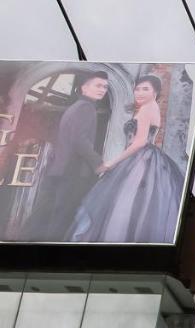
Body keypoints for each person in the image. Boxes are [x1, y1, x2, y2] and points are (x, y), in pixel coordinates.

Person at [68, 74, 184, 243]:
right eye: (137, 89)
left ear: (156, 92)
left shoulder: (147, 108)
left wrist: (111, 163)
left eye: (146, 89)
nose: (140, 92)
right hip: (141, 158)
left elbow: (139, 143)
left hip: (141, 160)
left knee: (125, 202)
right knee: (131, 203)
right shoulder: (150, 108)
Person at [27, 70, 108, 241]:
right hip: (72, 171)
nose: (102, 89)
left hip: (58, 169)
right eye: (98, 85)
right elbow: (80, 140)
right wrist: (98, 162)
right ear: (83, 88)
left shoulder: (75, 108)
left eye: (105, 87)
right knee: (61, 218)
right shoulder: (86, 108)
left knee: (43, 216)